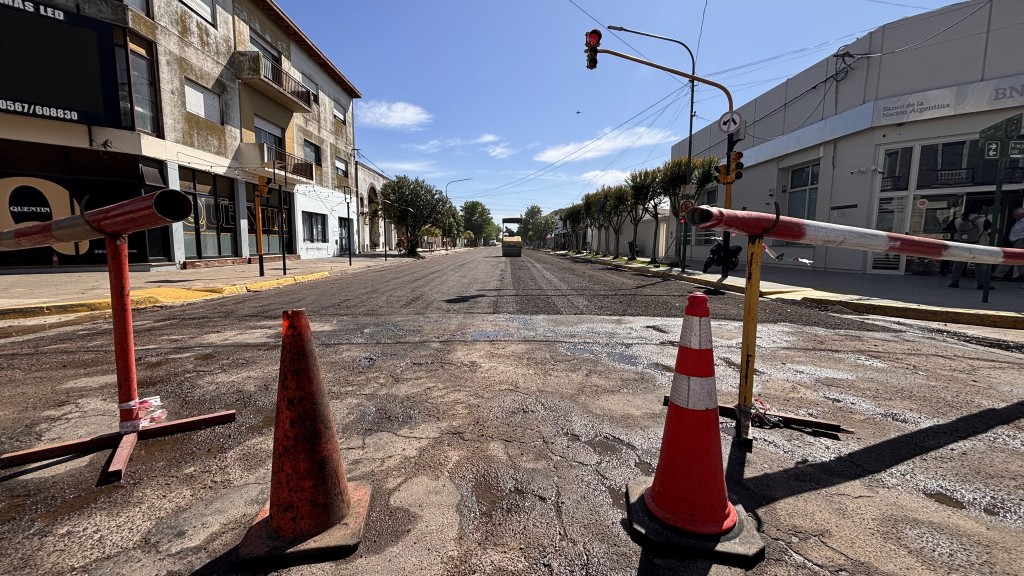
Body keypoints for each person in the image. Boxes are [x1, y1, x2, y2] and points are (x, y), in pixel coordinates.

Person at [947, 209, 992, 289]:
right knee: (980, 265)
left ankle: (954, 281)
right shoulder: (984, 220)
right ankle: (981, 283)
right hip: (978, 245)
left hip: (962, 244)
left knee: (958, 264)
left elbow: (949, 229)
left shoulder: (957, 220)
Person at [993, 207, 1024, 281]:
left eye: (1016, 215)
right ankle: (1019, 275)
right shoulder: (1016, 221)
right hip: (1014, 242)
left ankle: (999, 274)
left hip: (1020, 241)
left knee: (1011, 257)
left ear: (1022, 214)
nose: (1014, 217)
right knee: (1014, 258)